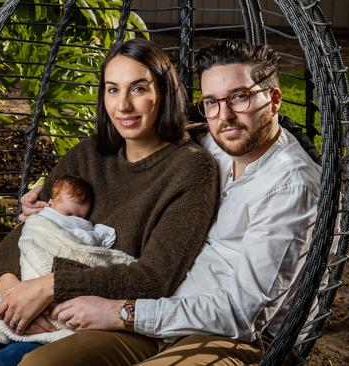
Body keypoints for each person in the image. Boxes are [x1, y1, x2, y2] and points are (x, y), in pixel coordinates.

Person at [0, 38, 220, 366]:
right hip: (20, 290)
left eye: (138, 89)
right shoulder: (87, 154)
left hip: (81, 316)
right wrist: (11, 286)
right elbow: (32, 227)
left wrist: (50, 287)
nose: (122, 105)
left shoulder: (191, 169)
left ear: (164, 93)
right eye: (112, 89)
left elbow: (155, 276)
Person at [18, 39, 322, 366]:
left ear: (274, 100)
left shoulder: (290, 186)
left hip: (236, 339)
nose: (226, 116)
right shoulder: (214, 143)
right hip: (162, 316)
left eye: (239, 97)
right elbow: (130, 153)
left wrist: (121, 312)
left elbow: (242, 314)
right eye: (212, 102)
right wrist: (52, 196)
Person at [0, 175, 137, 344]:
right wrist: (8, 286)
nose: (74, 220)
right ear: (51, 204)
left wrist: (50, 286)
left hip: (74, 308)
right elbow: (24, 233)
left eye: (80, 216)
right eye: (68, 213)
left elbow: (88, 249)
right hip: (11, 287)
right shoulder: (80, 161)